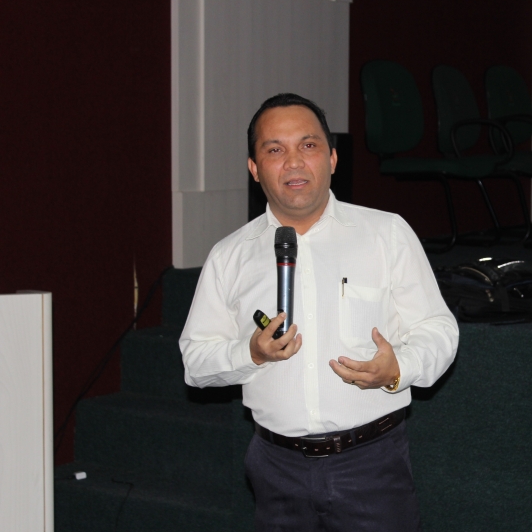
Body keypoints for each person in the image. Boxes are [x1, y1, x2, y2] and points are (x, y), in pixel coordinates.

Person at [179, 93, 459, 531]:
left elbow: (438, 329)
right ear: (254, 168)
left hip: (371, 464)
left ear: (332, 158)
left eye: (308, 146)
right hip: (276, 468)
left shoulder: (386, 233)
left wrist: (397, 369)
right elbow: (195, 363)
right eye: (275, 150)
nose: (293, 162)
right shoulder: (229, 256)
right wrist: (250, 353)